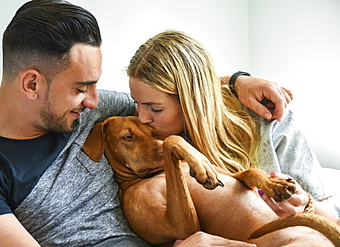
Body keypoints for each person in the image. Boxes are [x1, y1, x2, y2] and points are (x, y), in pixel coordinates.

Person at [0, 1, 293, 247]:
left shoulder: (94, 112)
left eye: (95, 86)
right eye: (81, 88)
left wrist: (237, 80)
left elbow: (174, 96)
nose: (95, 101)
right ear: (31, 84)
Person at [127, 30, 339, 234]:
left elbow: (331, 218)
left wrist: (305, 205)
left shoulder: (267, 119)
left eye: (155, 109)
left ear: (192, 102)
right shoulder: (145, 141)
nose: (142, 117)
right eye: (137, 103)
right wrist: (237, 78)